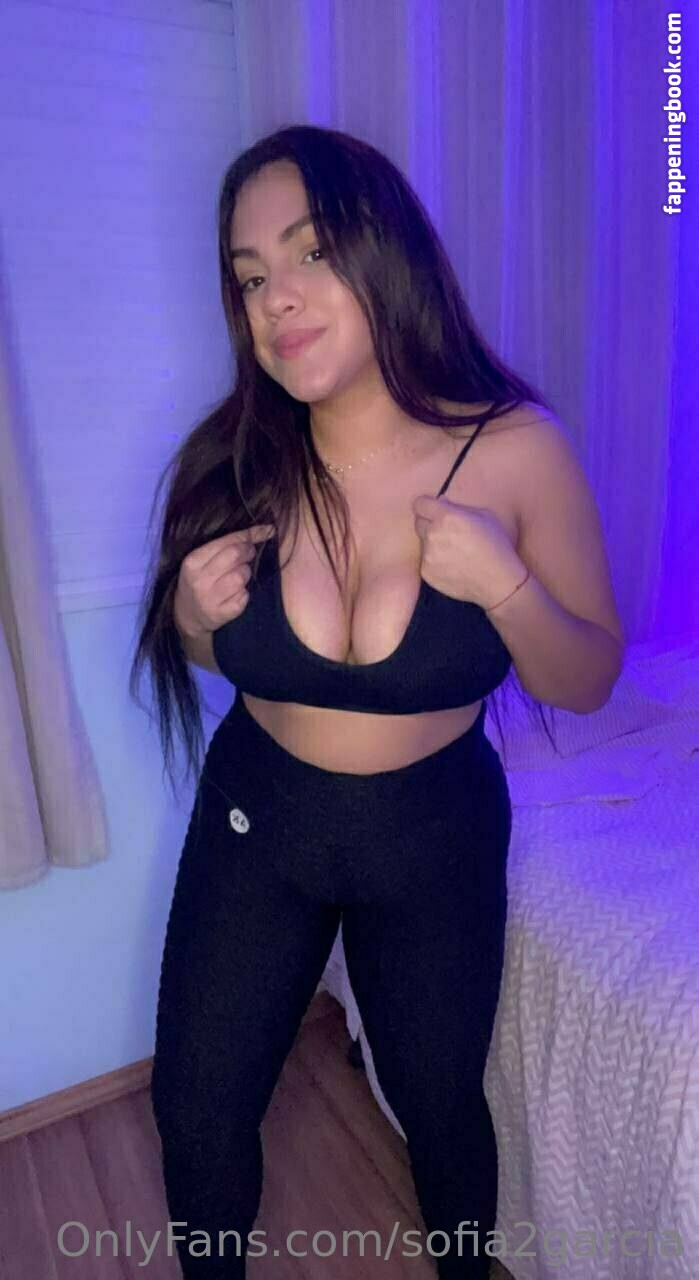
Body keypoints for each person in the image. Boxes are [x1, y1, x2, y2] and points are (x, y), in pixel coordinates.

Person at [131, 124, 624, 1279]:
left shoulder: (516, 449)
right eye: (250, 276)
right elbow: (214, 655)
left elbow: (590, 676)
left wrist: (505, 586)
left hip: (433, 833)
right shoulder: (234, 461)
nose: (276, 298)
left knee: (440, 1101)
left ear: (386, 250)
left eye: (309, 253)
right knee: (197, 1102)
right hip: (259, 820)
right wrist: (194, 621)